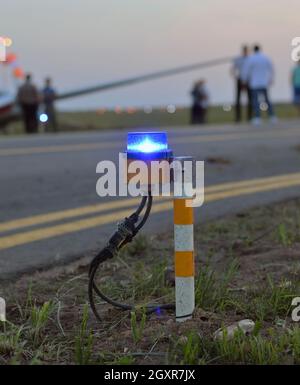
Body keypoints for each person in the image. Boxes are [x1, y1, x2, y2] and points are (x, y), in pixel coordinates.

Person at [242, 45, 276, 125]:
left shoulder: (251, 59)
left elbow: (245, 71)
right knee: (267, 100)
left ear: (253, 50)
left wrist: (244, 80)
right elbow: (272, 69)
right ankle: (272, 116)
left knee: (255, 101)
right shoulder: (265, 58)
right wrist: (271, 79)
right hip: (264, 83)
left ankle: (257, 117)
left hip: (254, 83)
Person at [232, 45, 252, 122]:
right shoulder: (238, 59)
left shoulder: (251, 59)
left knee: (250, 99)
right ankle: (238, 117)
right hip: (240, 79)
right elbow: (233, 69)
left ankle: (249, 117)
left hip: (249, 80)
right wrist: (235, 76)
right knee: (238, 99)